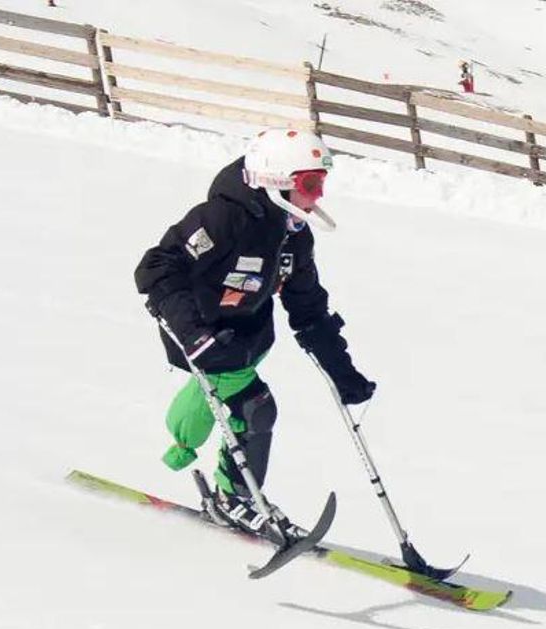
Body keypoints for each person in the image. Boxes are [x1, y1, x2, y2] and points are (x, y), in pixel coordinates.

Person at [133, 128, 375, 533]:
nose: (318, 196)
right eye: (310, 184)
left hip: (246, 342)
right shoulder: (223, 218)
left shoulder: (294, 238)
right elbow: (157, 267)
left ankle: (213, 476)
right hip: (200, 335)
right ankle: (235, 498)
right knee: (257, 408)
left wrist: (342, 371)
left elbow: (309, 309)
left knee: (242, 397)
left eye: (320, 183)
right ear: (277, 181)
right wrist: (194, 334)